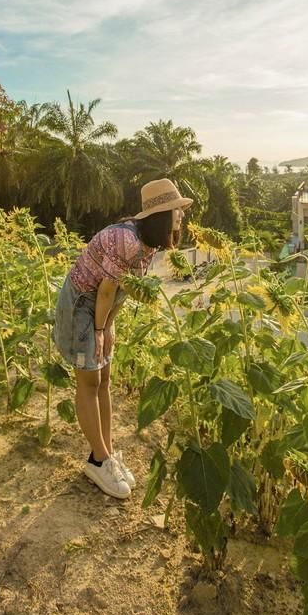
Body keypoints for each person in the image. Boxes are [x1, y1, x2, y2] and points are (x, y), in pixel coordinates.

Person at [52, 178, 193, 499]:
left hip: (101, 309)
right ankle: (97, 459)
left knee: (104, 381)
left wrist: (109, 326)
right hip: (81, 305)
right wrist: (100, 330)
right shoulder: (125, 240)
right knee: (89, 382)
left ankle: (107, 453)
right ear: (162, 215)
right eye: (177, 210)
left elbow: (120, 292)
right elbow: (103, 289)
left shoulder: (149, 244)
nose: (181, 216)